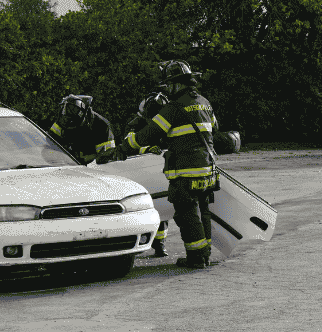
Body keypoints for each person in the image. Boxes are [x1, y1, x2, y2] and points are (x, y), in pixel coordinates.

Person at [115, 61, 219, 269]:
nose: (167, 90)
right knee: (203, 211)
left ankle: (196, 258)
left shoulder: (173, 108)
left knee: (186, 214)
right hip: (208, 170)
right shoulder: (204, 102)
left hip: (186, 171)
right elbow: (214, 128)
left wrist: (123, 148)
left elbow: (148, 134)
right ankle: (205, 253)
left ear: (176, 84)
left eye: (169, 85)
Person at [122, 90, 171, 258]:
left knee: (163, 209)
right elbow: (128, 145)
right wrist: (147, 150)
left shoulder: (168, 121)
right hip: (139, 171)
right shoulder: (135, 124)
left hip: (161, 169)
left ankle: (160, 244)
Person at [49, 94, 116, 165]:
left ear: (84, 111)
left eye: (73, 110)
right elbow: (49, 142)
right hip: (62, 165)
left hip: (90, 171)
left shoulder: (102, 126)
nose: (68, 115)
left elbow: (105, 158)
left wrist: (80, 159)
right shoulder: (62, 120)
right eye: (65, 109)